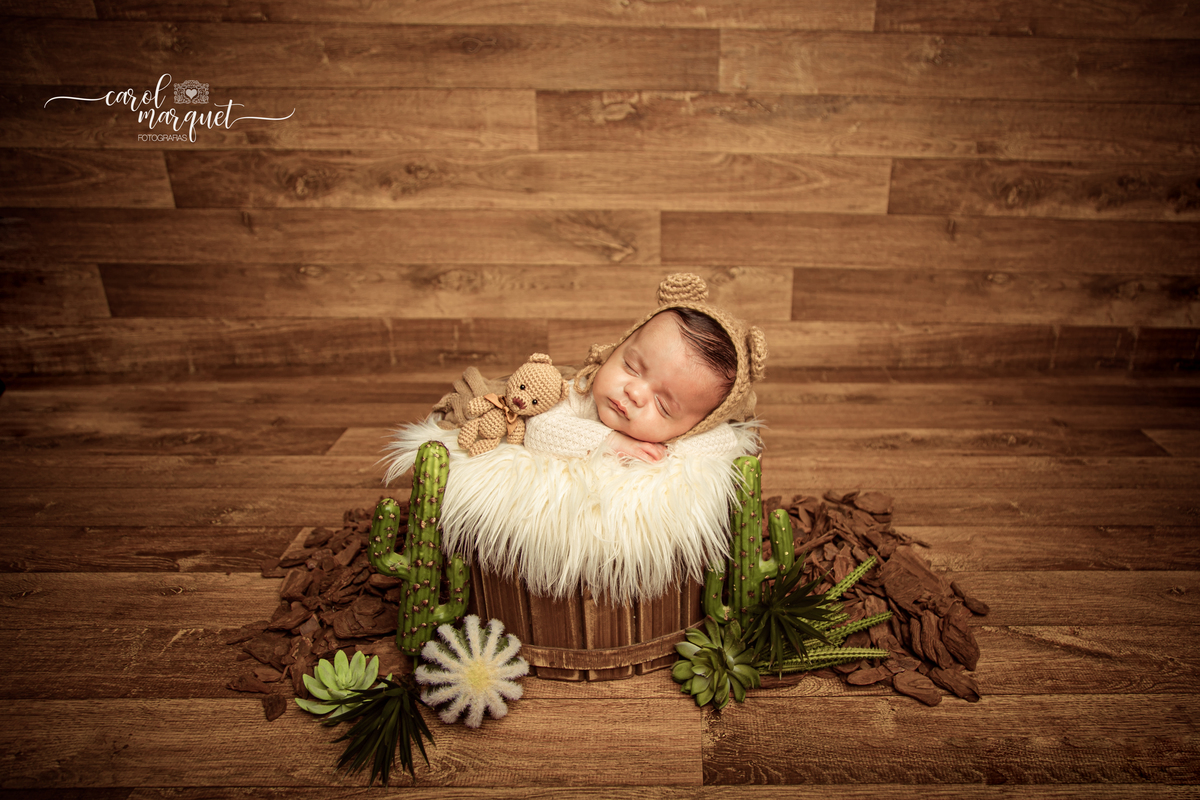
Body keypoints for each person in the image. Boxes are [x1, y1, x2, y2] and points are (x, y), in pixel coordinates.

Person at [524, 273, 768, 463]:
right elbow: (539, 428)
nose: (634, 392)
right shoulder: (580, 394)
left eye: (663, 405)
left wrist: (668, 451)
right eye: (631, 366)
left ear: (696, 426)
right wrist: (611, 443)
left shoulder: (693, 434)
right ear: (617, 348)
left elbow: (725, 440)